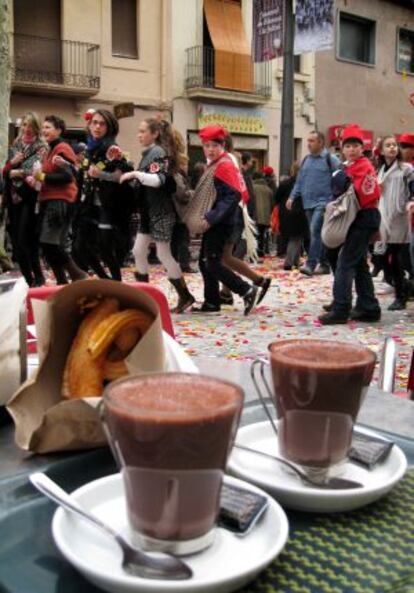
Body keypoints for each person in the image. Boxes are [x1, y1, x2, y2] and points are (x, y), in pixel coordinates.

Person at [120, 118, 195, 314]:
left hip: (160, 212)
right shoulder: (149, 154)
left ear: (155, 134)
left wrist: (136, 175)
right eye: (139, 131)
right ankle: (145, 295)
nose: (139, 135)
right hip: (148, 212)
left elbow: (159, 180)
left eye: (143, 131)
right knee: (138, 250)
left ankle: (184, 295)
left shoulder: (158, 153)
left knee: (163, 254)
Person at [191, 125, 259, 315]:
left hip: (220, 223)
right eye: (206, 145)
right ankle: (212, 302)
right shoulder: (216, 164)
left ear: (222, 145)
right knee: (205, 262)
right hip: (216, 221)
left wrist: (211, 218)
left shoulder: (224, 165)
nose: (210, 149)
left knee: (212, 262)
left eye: (214, 145)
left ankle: (246, 290)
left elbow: (232, 196)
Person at [319, 124, 381, 325]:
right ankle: (368, 307)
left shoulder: (364, 166)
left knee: (346, 263)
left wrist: (343, 183)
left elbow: (364, 193)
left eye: (356, 145)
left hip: (363, 217)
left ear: (362, 148)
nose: (352, 149)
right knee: (359, 264)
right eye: (348, 145)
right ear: (342, 148)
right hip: (359, 218)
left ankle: (341, 308)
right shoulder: (348, 167)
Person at [73, 109, 133, 280]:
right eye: (94, 122)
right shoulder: (90, 147)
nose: (97, 126)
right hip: (89, 204)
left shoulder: (110, 146)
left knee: (105, 249)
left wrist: (101, 175)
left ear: (109, 127)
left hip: (107, 206)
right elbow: (85, 173)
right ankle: (106, 279)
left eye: (102, 123)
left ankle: (116, 282)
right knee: (80, 247)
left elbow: (122, 176)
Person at [33, 115, 88, 285]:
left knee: (49, 243)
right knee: (52, 245)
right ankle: (62, 281)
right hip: (50, 200)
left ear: (58, 130)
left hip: (60, 201)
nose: (44, 130)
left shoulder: (62, 147)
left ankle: (77, 274)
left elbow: (67, 175)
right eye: (43, 127)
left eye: (48, 127)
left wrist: (41, 175)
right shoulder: (50, 149)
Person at [219, 136, 271, 307]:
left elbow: (241, 196)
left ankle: (249, 286)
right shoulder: (232, 163)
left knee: (225, 257)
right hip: (236, 216)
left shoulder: (229, 162)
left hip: (233, 216)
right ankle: (229, 292)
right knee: (226, 257)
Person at [2, 112, 47, 286]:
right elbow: (5, 171)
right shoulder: (16, 144)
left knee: (26, 240)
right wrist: (12, 166)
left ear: (36, 127)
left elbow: (35, 172)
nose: (27, 129)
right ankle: (28, 279)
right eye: (24, 125)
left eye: (30, 126)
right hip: (13, 198)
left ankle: (38, 276)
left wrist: (16, 171)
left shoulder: (41, 146)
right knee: (16, 241)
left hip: (30, 197)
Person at [286, 130, 339, 276]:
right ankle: (325, 263)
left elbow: (341, 177)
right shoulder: (306, 160)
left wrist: (336, 198)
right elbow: (300, 181)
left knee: (315, 230)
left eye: (311, 141)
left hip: (324, 202)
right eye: (308, 140)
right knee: (317, 234)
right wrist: (291, 197)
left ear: (320, 142)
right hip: (308, 202)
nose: (308, 144)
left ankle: (310, 264)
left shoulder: (331, 159)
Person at [376, 136, 414, 310]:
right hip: (383, 215)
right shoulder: (380, 170)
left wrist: (411, 202)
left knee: (395, 257)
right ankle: (404, 286)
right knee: (382, 257)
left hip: (399, 216)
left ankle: (401, 295)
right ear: (382, 150)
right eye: (388, 145)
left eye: (394, 145)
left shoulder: (406, 169)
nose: (392, 148)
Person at [274, 161, 309, 270]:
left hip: (285, 213)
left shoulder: (285, 183)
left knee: (295, 237)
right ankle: (288, 262)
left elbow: (277, 198)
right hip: (299, 213)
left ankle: (296, 260)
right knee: (296, 237)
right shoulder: (305, 184)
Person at [252, 171, 273, 258]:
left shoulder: (252, 187)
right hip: (265, 216)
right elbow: (272, 203)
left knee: (254, 234)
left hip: (254, 215)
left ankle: (254, 252)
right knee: (262, 234)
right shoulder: (268, 190)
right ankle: (261, 251)